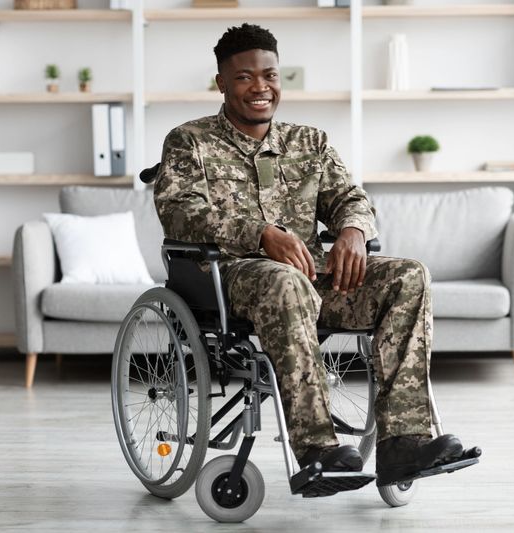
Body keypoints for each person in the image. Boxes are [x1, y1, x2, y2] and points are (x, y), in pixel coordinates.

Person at [154, 23, 463, 486]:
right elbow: (179, 213)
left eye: (270, 75)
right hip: (229, 279)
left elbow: (350, 198)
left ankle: (404, 442)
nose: (260, 87)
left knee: (409, 275)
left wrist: (354, 231)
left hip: (311, 278)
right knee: (284, 281)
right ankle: (317, 448)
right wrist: (261, 235)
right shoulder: (189, 141)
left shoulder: (310, 143)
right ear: (221, 82)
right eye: (244, 77)